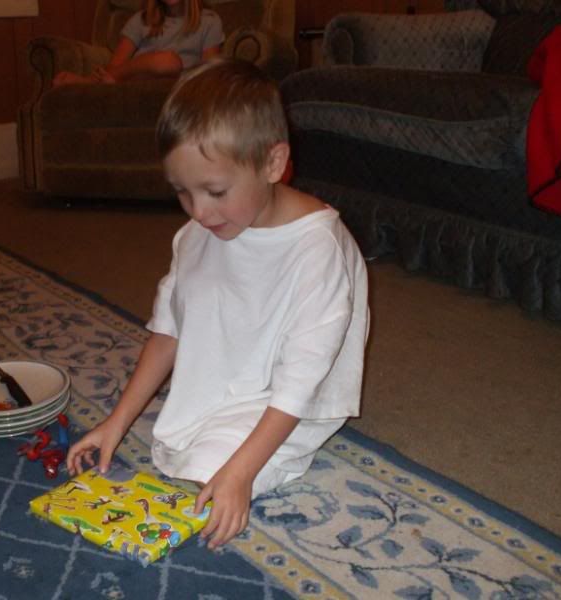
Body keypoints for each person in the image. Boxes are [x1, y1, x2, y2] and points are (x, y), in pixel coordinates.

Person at [67, 59, 370, 549]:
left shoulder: (317, 248)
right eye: (182, 192)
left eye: (215, 191)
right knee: (176, 446)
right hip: (231, 373)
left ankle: (262, 453)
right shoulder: (198, 233)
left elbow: (301, 378)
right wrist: (115, 423)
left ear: (273, 163)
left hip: (294, 395)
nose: (198, 212)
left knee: (213, 473)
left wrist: (241, 474)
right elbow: (169, 330)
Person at [52, 0, 223, 87]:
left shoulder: (209, 21)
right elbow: (115, 66)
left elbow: (209, 73)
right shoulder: (141, 20)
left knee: (171, 62)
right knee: (167, 61)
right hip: (133, 82)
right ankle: (95, 83)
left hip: (177, 83)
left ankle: (91, 83)